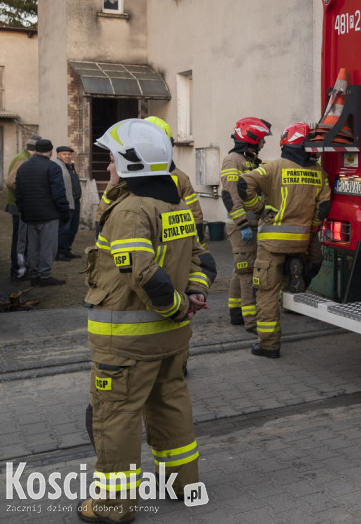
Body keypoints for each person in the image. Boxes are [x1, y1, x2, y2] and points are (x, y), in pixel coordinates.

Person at [78, 118, 216, 523]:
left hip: (126, 342)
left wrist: (175, 305)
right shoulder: (175, 204)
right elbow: (201, 259)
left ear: (131, 164)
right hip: (171, 339)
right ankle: (182, 483)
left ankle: (112, 506)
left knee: (115, 415)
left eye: (113, 160)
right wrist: (193, 296)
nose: (108, 168)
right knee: (170, 403)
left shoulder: (130, 210)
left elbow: (142, 273)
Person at [238, 122, 330, 358]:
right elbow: (325, 206)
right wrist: (312, 231)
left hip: (271, 244)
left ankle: (269, 346)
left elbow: (243, 183)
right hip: (301, 242)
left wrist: (259, 209)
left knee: (266, 292)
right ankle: (293, 276)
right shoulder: (319, 172)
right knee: (301, 269)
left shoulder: (273, 167)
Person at [97, 117, 205, 244]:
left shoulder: (180, 178)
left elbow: (195, 217)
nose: (109, 168)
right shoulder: (121, 177)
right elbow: (104, 209)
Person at [220, 117, 271, 332]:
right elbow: (230, 195)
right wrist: (243, 224)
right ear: (250, 140)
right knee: (248, 272)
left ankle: (236, 313)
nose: (263, 144)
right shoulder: (234, 161)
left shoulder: (247, 161)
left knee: (240, 270)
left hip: (249, 225)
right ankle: (251, 322)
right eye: (261, 140)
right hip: (243, 227)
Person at [13, 139, 70, 287]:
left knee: (33, 246)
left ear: (36, 150)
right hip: (48, 213)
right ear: (51, 152)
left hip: (30, 214)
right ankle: (45, 275)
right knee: (47, 246)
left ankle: (35, 274)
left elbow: (18, 193)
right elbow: (58, 193)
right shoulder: (52, 167)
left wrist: (23, 212)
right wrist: (64, 211)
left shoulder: (23, 167)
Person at [5, 134, 41, 280]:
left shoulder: (25, 157)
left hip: (19, 204)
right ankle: (17, 270)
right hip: (19, 206)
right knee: (20, 239)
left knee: (21, 238)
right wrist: (25, 197)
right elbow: (11, 182)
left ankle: (19, 268)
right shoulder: (23, 159)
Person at [53, 145, 83, 260]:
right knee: (63, 229)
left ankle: (67, 250)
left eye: (69, 154)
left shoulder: (69, 166)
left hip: (75, 202)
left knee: (73, 228)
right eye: (64, 154)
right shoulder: (56, 167)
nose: (67, 156)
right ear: (58, 155)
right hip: (65, 203)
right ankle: (59, 252)